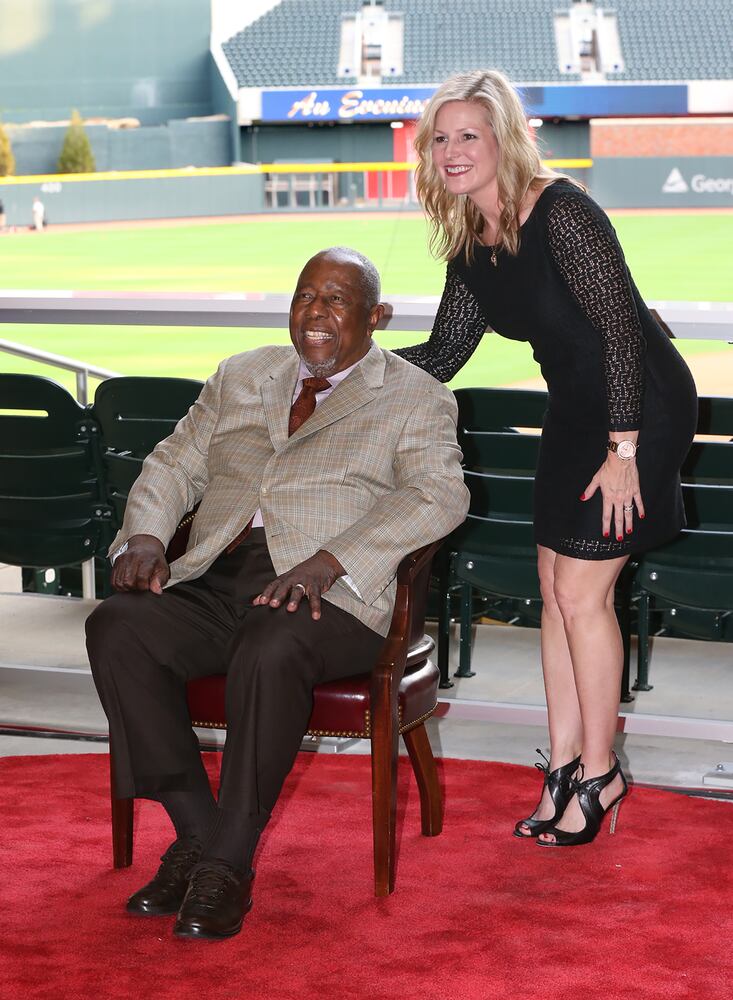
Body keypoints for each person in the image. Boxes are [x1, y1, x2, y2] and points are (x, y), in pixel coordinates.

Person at [85, 246, 469, 939]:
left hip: (334, 593)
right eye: (304, 296)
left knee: (270, 646)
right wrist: (143, 536)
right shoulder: (242, 374)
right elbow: (174, 461)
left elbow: (440, 495)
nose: (315, 313)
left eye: (336, 300)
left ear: (375, 317)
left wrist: (333, 558)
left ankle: (225, 865)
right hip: (215, 573)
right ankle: (201, 837)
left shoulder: (415, 396)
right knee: (117, 626)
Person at [393, 71, 697, 847]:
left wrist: (624, 449)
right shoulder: (471, 239)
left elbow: (623, 330)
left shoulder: (562, 213)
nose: (453, 151)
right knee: (550, 587)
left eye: (469, 135)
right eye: (441, 137)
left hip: (641, 410)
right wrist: (344, 374)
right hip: (572, 411)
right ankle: (563, 762)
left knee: (582, 594)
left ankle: (600, 773)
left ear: (503, 139)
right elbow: (444, 351)